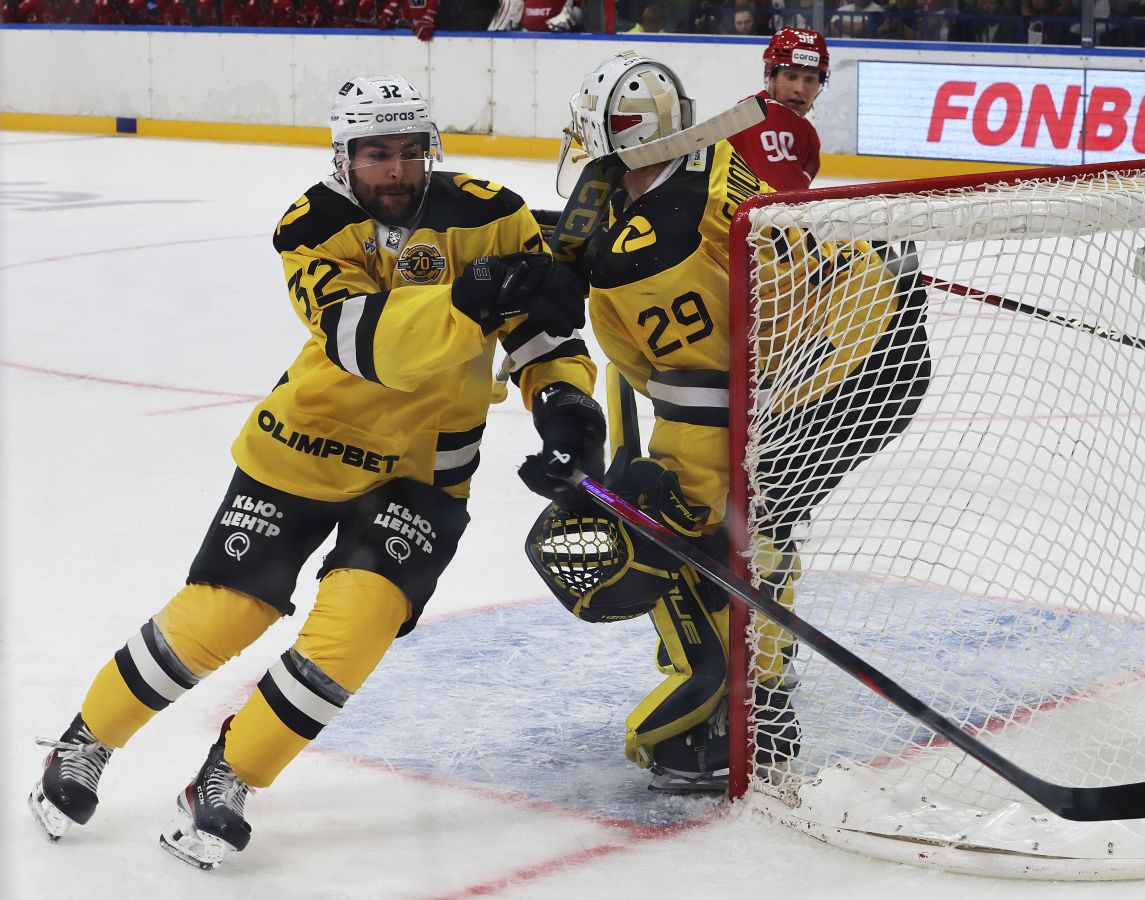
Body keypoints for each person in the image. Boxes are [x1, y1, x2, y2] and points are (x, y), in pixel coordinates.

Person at [27, 73, 601, 868]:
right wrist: (472, 296)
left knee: (359, 625)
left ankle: (229, 775)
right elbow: (364, 341)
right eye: (375, 154)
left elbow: (541, 333)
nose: (394, 169)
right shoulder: (313, 224)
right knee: (226, 613)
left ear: (429, 149)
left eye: (408, 151)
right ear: (344, 157)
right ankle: (85, 742)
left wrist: (567, 407)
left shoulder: (492, 215)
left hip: (427, 467)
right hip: (307, 446)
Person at [523, 51, 931, 791]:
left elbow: (700, 377)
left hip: (858, 362)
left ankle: (754, 710)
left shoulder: (669, 234)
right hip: (841, 345)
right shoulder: (692, 172)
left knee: (737, 523)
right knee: (735, 519)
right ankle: (749, 686)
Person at [727, 27, 828, 192]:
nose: (800, 89)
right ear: (771, 76)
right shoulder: (759, 115)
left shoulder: (806, 132)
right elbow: (785, 202)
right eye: (791, 76)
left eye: (810, 79)